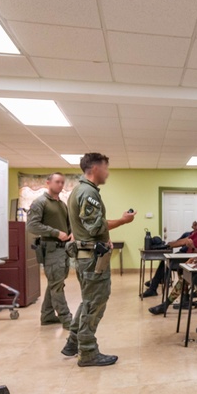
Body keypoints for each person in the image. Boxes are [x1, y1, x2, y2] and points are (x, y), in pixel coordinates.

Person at [60, 153, 134, 367]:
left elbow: (90, 228)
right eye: (106, 168)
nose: (108, 173)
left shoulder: (81, 190)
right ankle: (88, 352)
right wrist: (122, 220)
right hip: (91, 259)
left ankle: (74, 342)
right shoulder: (88, 192)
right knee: (95, 302)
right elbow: (95, 227)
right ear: (94, 169)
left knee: (88, 300)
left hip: (87, 255)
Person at [25, 172, 73, 329]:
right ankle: (67, 319)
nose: (60, 185)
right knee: (56, 285)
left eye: (62, 182)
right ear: (48, 183)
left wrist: (71, 232)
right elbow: (32, 225)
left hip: (63, 249)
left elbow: (67, 224)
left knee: (55, 283)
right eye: (57, 182)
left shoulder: (61, 204)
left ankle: (47, 315)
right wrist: (55, 233)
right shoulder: (40, 202)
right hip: (51, 248)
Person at [142, 219, 197, 297]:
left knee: (174, 267)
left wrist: (193, 248)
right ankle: (153, 288)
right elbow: (184, 241)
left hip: (195, 261)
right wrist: (167, 245)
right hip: (186, 256)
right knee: (165, 261)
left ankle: (184, 298)